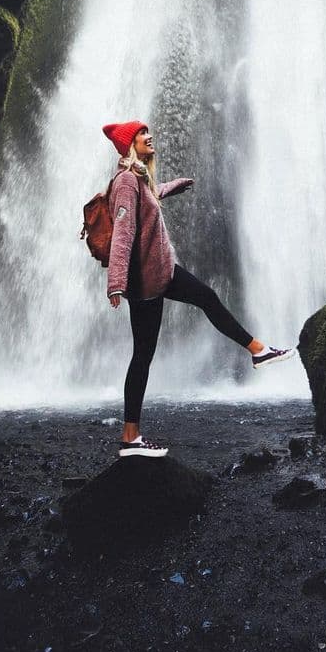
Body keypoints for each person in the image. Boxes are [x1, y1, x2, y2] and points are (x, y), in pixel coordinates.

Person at [101, 119, 295, 458]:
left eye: (148, 131)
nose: (149, 136)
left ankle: (258, 350)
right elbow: (123, 231)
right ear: (130, 144)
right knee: (142, 357)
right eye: (141, 134)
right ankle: (130, 438)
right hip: (147, 283)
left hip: (162, 272)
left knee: (205, 297)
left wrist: (171, 187)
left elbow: (149, 199)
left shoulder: (140, 180)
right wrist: (116, 282)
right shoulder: (127, 181)